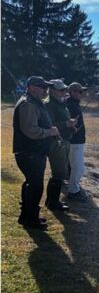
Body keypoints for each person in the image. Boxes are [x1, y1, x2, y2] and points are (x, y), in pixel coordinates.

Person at [13, 76, 60, 230]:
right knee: (35, 185)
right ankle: (31, 219)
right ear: (32, 87)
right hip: (29, 152)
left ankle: (26, 216)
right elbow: (30, 131)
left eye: (46, 87)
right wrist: (50, 132)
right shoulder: (28, 104)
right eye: (42, 87)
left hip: (33, 152)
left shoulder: (34, 101)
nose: (45, 90)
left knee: (31, 183)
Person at [44, 79, 78, 211]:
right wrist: (67, 124)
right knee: (59, 172)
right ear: (52, 90)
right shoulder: (49, 104)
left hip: (63, 140)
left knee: (60, 172)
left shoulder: (61, 103)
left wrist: (71, 126)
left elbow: (63, 120)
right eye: (61, 89)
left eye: (65, 89)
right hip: (56, 142)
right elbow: (48, 125)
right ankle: (53, 202)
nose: (65, 92)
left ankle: (51, 201)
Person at [65, 82, 88, 202]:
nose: (81, 94)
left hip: (76, 140)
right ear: (72, 92)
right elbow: (69, 123)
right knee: (78, 168)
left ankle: (72, 186)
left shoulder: (73, 103)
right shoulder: (70, 105)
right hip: (75, 141)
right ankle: (73, 191)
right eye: (79, 91)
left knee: (72, 165)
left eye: (82, 91)